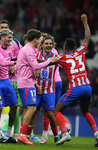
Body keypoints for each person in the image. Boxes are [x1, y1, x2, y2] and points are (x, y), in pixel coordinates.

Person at [54, 14, 98, 147]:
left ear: (65, 48)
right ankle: (96, 133)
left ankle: (65, 133)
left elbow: (48, 63)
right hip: (87, 87)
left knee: (57, 110)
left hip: (76, 88)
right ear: (75, 47)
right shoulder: (81, 52)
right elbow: (87, 37)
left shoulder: (62, 58)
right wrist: (85, 22)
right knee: (85, 111)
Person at [16, 29, 58, 145]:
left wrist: (35, 82)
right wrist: (49, 61)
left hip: (28, 82)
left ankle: (23, 134)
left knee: (29, 109)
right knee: (32, 108)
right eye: (40, 39)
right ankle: (23, 134)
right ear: (35, 39)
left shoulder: (28, 49)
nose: (41, 42)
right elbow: (35, 65)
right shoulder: (28, 49)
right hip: (25, 83)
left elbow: (28, 65)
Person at [0, 29, 17, 143]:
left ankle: (9, 133)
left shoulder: (11, 47)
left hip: (6, 80)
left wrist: (13, 66)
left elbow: (11, 60)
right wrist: (16, 62)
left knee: (14, 106)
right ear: (2, 38)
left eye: (11, 37)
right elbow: (2, 62)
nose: (11, 40)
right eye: (9, 38)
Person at [35, 35, 60, 144]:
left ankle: (56, 136)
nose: (48, 45)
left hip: (49, 90)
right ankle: (26, 134)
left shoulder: (56, 56)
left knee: (50, 113)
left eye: (50, 44)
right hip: (36, 89)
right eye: (46, 43)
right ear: (42, 45)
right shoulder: (36, 55)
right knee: (31, 111)